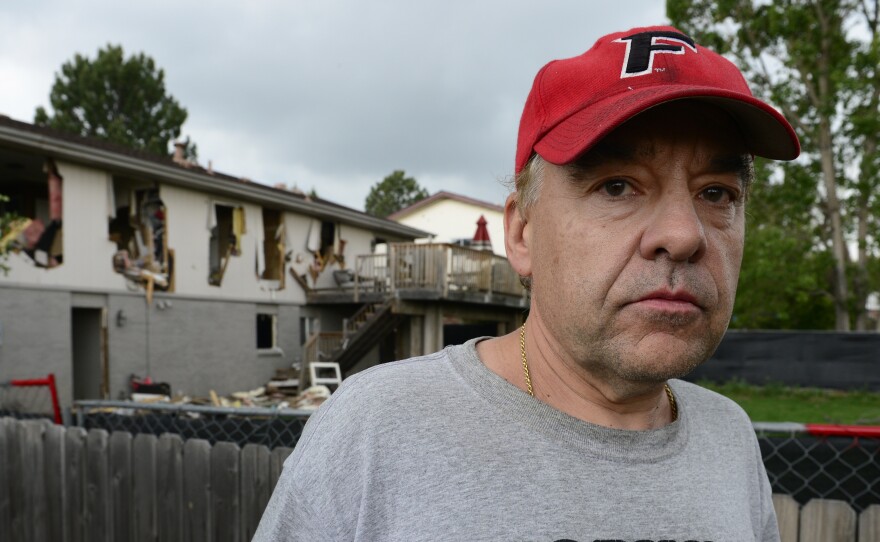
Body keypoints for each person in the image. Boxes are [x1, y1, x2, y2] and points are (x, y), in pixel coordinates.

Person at [255, 25, 800, 542]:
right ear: (521, 233)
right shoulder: (377, 429)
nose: (683, 235)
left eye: (717, 193)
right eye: (617, 187)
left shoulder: (728, 436)